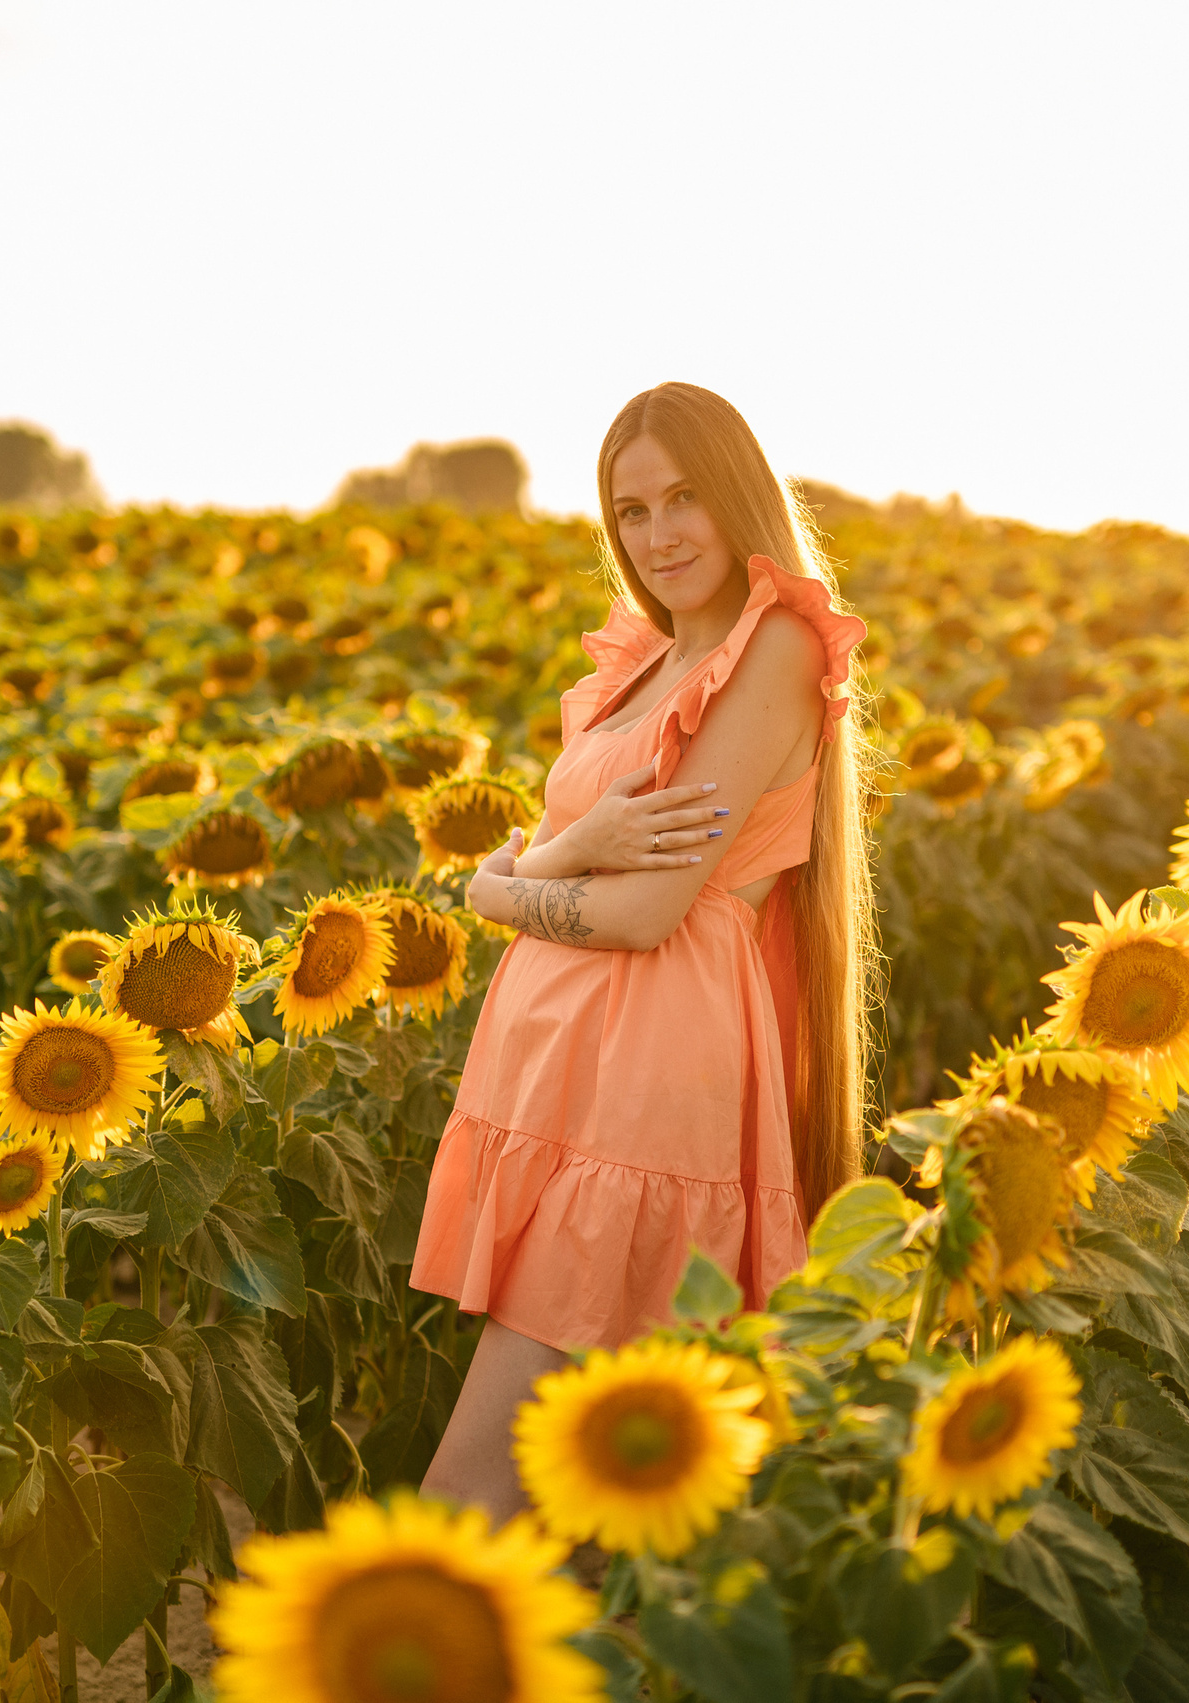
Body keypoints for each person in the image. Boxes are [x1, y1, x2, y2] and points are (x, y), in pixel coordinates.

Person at [412, 381, 879, 1520]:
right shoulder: (644, 660)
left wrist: (499, 889)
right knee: (607, 1507)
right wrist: (571, 847)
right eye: (630, 510)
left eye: (684, 499)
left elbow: (642, 912)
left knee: (470, 1494)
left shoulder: (770, 649)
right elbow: (592, 858)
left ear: (737, 501)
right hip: (564, 1084)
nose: (659, 533)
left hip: (643, 1095)